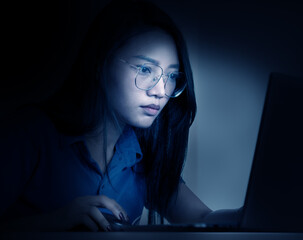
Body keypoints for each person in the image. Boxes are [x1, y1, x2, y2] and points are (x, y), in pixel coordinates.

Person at [0, 0, 243, 231]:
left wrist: (251, 211)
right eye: (145, 69)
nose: (160, 91)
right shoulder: (30, 134)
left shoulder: (143, 156)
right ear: (100, 63)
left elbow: (203, 218)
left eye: (171, 76)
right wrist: (55, 222)